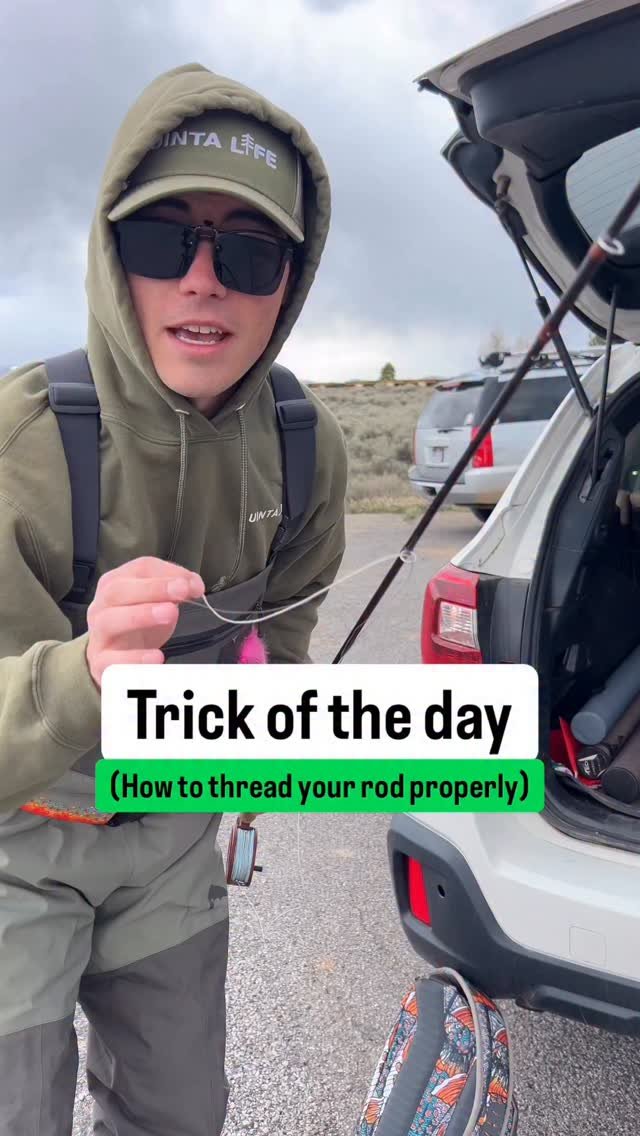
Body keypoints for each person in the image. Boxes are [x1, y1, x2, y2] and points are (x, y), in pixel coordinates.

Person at [0, 63, 347, 1135]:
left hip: (170, 847)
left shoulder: (306, 450)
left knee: (182, 1112)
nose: (204, 282)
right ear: (114, 259)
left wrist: (299, 737)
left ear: (288, 282)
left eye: (248, 253)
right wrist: (83, 673)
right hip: (16, 855)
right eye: (163, 241)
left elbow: (284, 652)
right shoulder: (21, 447)